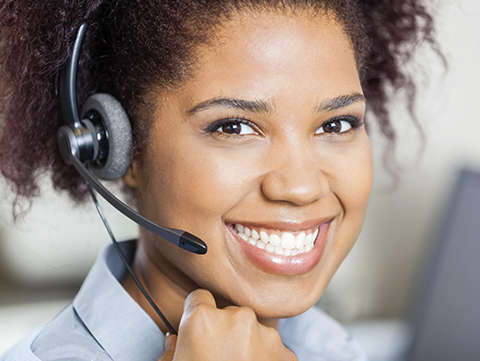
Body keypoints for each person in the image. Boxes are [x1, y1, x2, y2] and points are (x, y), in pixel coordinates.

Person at [0, 1, 440, 360]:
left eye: (337, 124)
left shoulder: (328, 345)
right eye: (234, 128)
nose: (302, 187)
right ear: (120, 149)